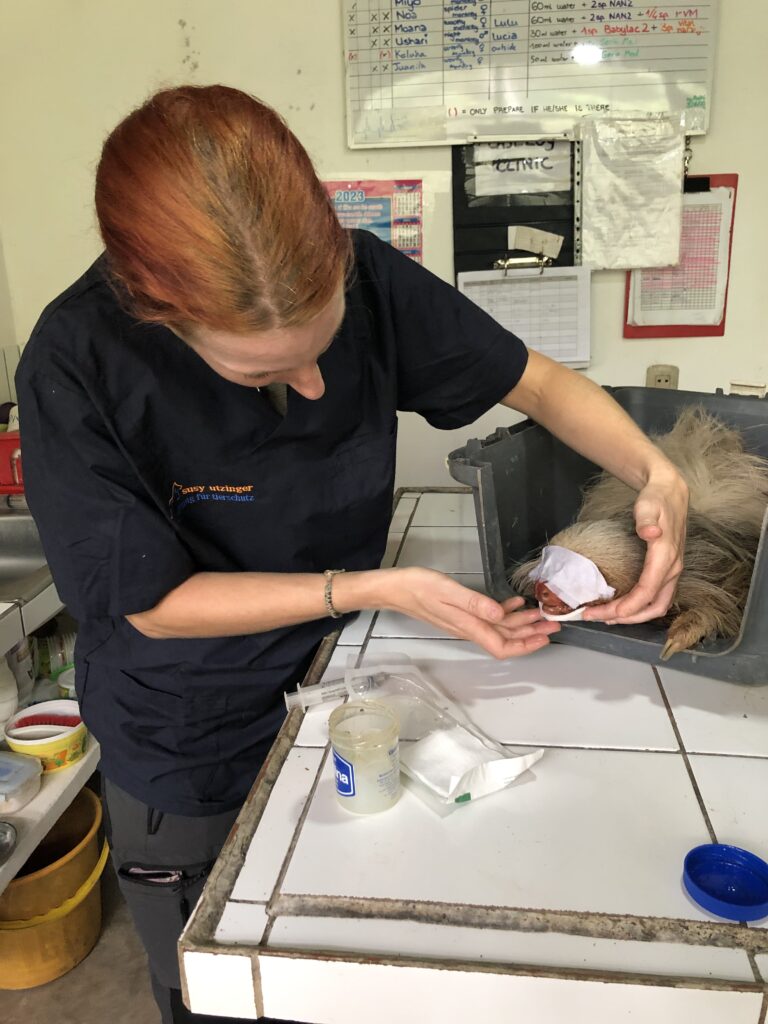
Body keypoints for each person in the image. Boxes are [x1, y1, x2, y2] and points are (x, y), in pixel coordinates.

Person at [15, 85, 688, 1024]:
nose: (314, 385)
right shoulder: (76, 364)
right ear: (160, 319)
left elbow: (536, 383)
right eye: (261, 372)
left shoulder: (366, 273)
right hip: (189, 724)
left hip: (345, 678)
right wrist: (369, 587)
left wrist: (657, 471)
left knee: (346, 943)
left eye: (325, 345)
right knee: (219, 977)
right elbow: (151, 604)